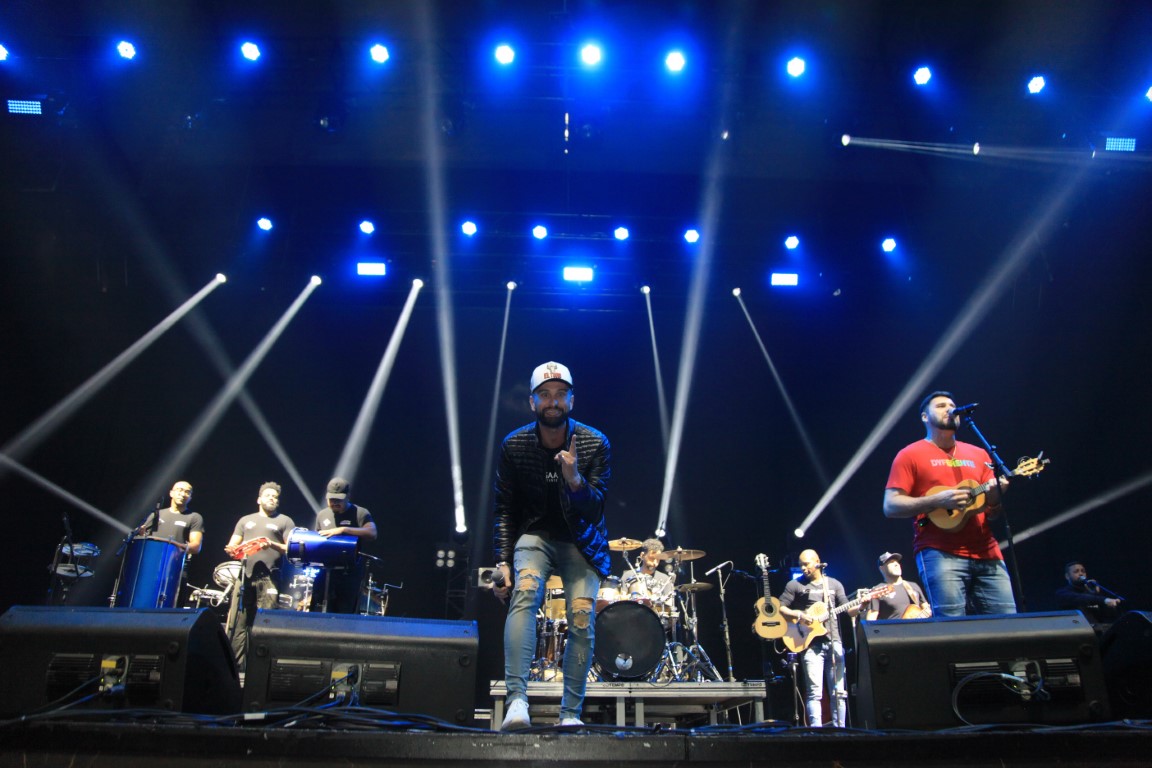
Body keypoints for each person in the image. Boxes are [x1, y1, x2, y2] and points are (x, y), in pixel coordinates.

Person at [492, 361, 611, 729]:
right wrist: (503, 560)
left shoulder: (594, 442)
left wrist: (574, 480)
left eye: (561, 394)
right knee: (525, 591)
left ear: (572, 400)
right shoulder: (514, 445)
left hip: (581, 538)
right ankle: (517, 702)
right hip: (535, 534)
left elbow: (596, 508)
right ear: (532, 402)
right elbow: (505, 508)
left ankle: (571, 714)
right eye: (545, 394)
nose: (553, 401)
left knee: (581, 615)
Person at [883, 391, 1016, 617]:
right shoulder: (910, 454)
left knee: (1008, 623)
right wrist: (938, 500)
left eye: (952, 405)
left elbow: (993, 513)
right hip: (939, 552)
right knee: (952, 627)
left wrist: (996, 495)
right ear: (925, 417)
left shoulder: (979, 453)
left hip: (988, 552)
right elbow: (890, 506)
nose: (950, 409)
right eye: (941, 406)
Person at [778, 549, 859, 728]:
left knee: (839, 692)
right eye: (801, 565)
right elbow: (781, 608)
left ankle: (840, 730)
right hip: (809, 644)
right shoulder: (795, 585)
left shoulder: (834, 584)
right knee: (814, 692)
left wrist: (861, 605)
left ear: (817, 562)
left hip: (833, 641)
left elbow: (848, 610)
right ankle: (816, 732)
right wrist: (800, 615)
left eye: (806, 564)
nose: (803, 568)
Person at [224, 482, 295, 670]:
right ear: (259, 499)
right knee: (239, 622)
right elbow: (233, 545)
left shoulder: (284, 521)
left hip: (270, 577)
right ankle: (235, 668)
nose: (272, 499)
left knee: (265, 623)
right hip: (245, 576)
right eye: (268, 495)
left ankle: (261, 669)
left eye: (275, 497)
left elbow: (290, 548)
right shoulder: (245, 520)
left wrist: (271, 544)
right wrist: (231, 549)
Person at [314, 477, 377, 613]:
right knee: (319, 610)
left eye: (339, 500)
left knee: (344, 612)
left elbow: (372, 532)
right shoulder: (322, 515)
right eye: (332, 499)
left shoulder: (360, 513)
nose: (335, 503)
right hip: (326, 572)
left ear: (348, 496)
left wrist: (344, 530)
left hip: (349, 573)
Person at [138, 480, 204, 555]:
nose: (183, 494)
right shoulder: (156, 514)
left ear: (190, 497)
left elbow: (196, 547)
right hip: (150, 556)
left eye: (187, 492)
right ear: (171, 493)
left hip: (173, 559)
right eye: (180, 490)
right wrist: (141, 533)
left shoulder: (194, 517)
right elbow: (143, 537)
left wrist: (177, 546)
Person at [865, 551, 932, 621]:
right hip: (893, 628)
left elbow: (927, 610)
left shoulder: (913, 586)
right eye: (891, 562)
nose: (896, 564)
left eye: (897, 562)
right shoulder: (878, 590)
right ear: (882, 569)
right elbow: (871, 620)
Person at [1055, 560, 1122, 625]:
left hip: (1099, 629)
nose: (1081, 574)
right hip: (1077, 629)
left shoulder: (1093, 592)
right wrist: (1104, 600)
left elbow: (1108, 616)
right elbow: (1080, 598)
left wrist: (1097, 594)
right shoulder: (1062, 593)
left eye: (1083, 571)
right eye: (1076, 571)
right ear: (1067, 576)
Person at [622, 537, 676, 609]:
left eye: (658, 559)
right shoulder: (628, 575)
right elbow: (621, 600)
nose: (655, 563)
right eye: (652, 558)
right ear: (642, 555)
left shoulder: (665, 579)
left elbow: (669, 606)